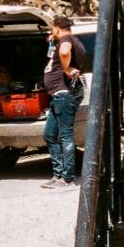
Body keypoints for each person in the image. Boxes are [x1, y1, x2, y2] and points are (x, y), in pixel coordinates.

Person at [38, 15, 91, 191]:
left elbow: (64, 52)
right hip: (60, 94)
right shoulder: (71, 39)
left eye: (52, 29)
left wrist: (66, 69)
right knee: (50, 134)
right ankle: (58, 174)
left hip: (64, 94)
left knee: (65, 135)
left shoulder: (66, 40)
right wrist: (53, 40)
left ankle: (67, 178)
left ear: (57, 28)